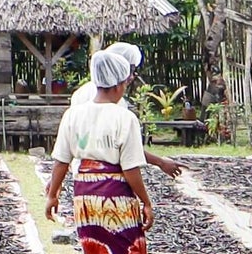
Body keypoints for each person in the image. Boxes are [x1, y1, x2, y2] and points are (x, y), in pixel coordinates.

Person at [45, 47, 155, 254]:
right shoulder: (125, 118)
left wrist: (53, 195)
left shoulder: (74, 114)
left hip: (85, 193)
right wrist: (145, 201)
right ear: (120, 84)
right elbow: (131, 167)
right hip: (116, 191)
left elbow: (61, 160)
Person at [71, 44, 183, 178]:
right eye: (130, 70)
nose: (132, 76)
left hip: (83, 175)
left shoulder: (82, 92)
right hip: (108, 177)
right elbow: (124, 149)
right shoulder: (116, 105)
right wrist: (161, 163)